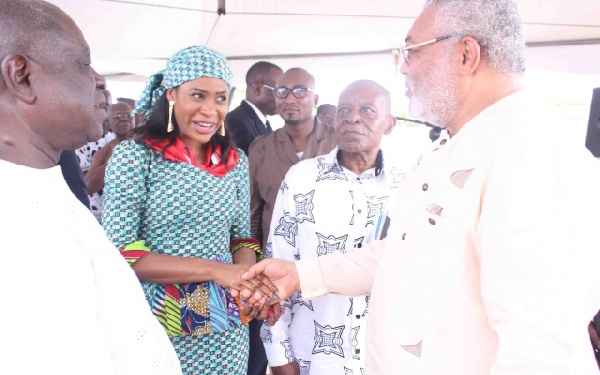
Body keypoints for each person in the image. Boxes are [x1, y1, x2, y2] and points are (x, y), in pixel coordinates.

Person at [238, 0, 600, 374]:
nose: (404, 68)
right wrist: (301, 275)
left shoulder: (533, 156)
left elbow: (542, 356)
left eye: (410, 51)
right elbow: (400, 254)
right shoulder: (449, 147)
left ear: (466, 55)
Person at [0, 0, 182, 373]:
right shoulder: (16, 232)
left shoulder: (42, 185)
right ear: (22, 76)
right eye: (84, 63)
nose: (100, 81)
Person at [102, 45, 277, 375]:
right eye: (198, 96)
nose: (210, 110)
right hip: (159, 317)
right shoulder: (135, 158)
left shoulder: (235, 162)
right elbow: (122, 252)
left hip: (226, 320)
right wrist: (215, 270)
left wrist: (245, 277)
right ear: (171, 95)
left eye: (220, 98)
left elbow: (241, 239)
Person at [264, 80, 404, 375]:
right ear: (333, 119)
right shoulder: (302, 178)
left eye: (367, 110)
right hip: (310, 355)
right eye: (344, 110)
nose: (352, 117)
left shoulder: (408, 184)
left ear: (389, 124)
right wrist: (279, 356)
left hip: (382, 355)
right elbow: (277, 263)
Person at [249, 67, 337, 249]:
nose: (290, 99)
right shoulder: (260, 149)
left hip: (327, 263)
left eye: (299, 91)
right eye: (282, 92)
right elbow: (253, 215)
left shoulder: (339, 144)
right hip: (275, 263)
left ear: (315, 99)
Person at [85, 102, 135, 222]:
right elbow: (89, 186)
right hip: (112, 218)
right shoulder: (106, 150)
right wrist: (116, 158)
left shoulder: (147, 144)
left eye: (128, 115)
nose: (124, 119)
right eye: (117, 116)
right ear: (109, 123)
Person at [226, 61, 283, 155]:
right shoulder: (237, 121)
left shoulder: (263, 122)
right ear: (257, 89)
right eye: (279, 90)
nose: (283, 97)